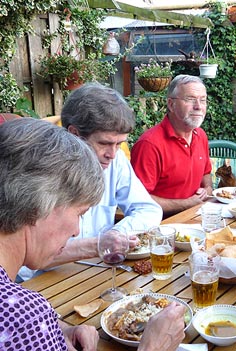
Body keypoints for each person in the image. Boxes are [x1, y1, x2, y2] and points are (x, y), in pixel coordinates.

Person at [0, 118, 186, 351]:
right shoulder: (23, 316)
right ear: (37, 206)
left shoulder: (30, 320)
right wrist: (152, 347)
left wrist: (55, 330)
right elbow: (21, 324)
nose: (77, 230)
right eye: (80, 213)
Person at [17, 83, 163, 281]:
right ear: (74, 134)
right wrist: (98, 245)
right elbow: (27, 255)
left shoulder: (114, 160)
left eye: (119, 144)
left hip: (94, 271)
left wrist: (117, 235)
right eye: (104, 143)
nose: (112, 154)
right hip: (38, 280)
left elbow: (149, 210)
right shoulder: (39, 171)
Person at [131, 75, 213, 217]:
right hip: (161, 227)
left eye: (203, 100)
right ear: (171, 104)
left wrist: (208, 188)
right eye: (190, 99)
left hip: (196, 218)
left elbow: (206, 172)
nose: (198, 106)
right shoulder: (149, 144)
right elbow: (138, 200)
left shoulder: (201, 136)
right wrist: (186, 204)